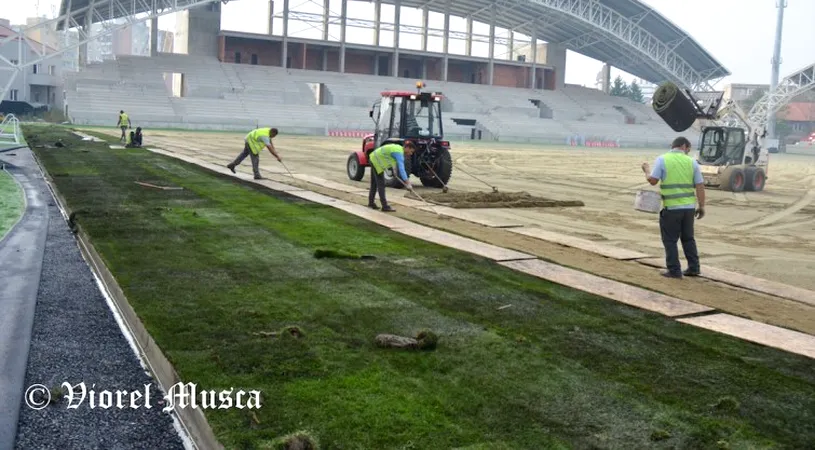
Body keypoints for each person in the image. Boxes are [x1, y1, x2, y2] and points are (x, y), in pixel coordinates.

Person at [642, 136, 706, 279]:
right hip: (689, 208)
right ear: (684, 146)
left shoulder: (662, 159)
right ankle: (694, 267)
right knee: (688, 238)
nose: (688, 152)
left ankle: (674, 270)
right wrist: (701, 206)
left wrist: (646, 170)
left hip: (671, 208)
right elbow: (700, 186)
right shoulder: (692, 162)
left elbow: (653, 181)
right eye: (688, 149)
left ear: (673, 146)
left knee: (670, 240)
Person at [368, 141, 415, 212]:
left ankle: (371, 203)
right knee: (381, 185)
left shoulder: (398, 148)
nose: (411, 154)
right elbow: (402, 170)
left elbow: (392, 160)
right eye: (411, 151)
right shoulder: (399, 153)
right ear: (407, 148)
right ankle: (385, 206)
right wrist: (408, 183)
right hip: (376, 161)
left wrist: (394, 172)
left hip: (373, 157)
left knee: (374, 184)